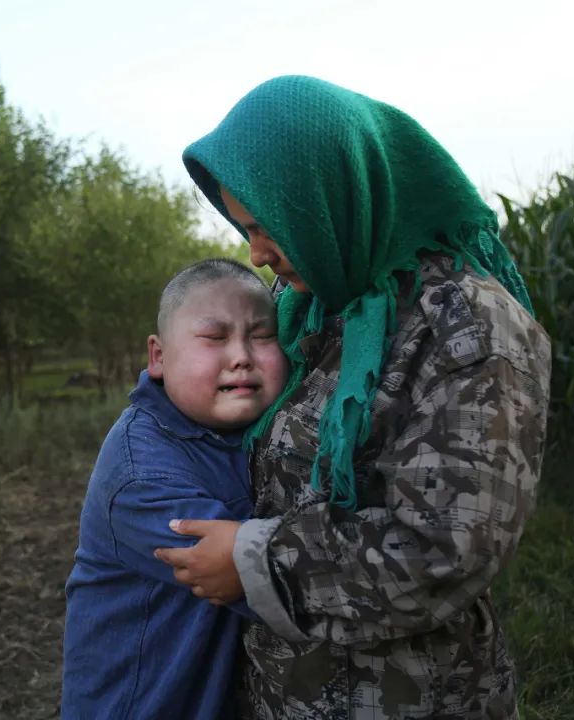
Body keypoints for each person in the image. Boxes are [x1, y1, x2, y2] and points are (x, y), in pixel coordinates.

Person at [154, 75, 552, 718]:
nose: (256, 253)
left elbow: (446, 546)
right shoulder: (311, 306)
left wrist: (255, 563)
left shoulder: (469, 327)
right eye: (244, 227)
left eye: (266, 226)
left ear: (328, 197)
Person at [62, 258, 289, 719]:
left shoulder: (252, 434)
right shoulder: (141, 474)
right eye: (214, 337)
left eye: (262, 335)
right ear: (159, 357)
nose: (241, 354)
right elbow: (273, 581)